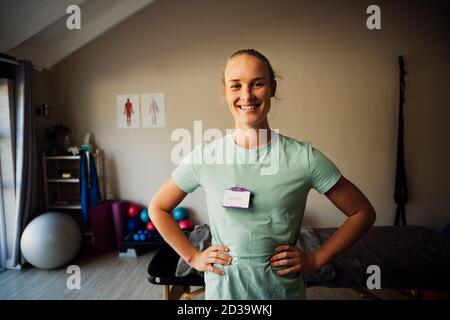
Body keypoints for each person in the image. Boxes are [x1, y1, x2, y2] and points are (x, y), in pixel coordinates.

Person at [149, 49, 376, 300]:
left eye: (257, 84)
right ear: (225, 92)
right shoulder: (206, 156)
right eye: (236, 85)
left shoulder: (304, 158)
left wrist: (315, 259)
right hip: (224, 294)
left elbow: (362, 212)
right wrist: (192, 256)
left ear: (272, 88)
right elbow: (158, 208)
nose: (246, 95)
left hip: (282, 292)